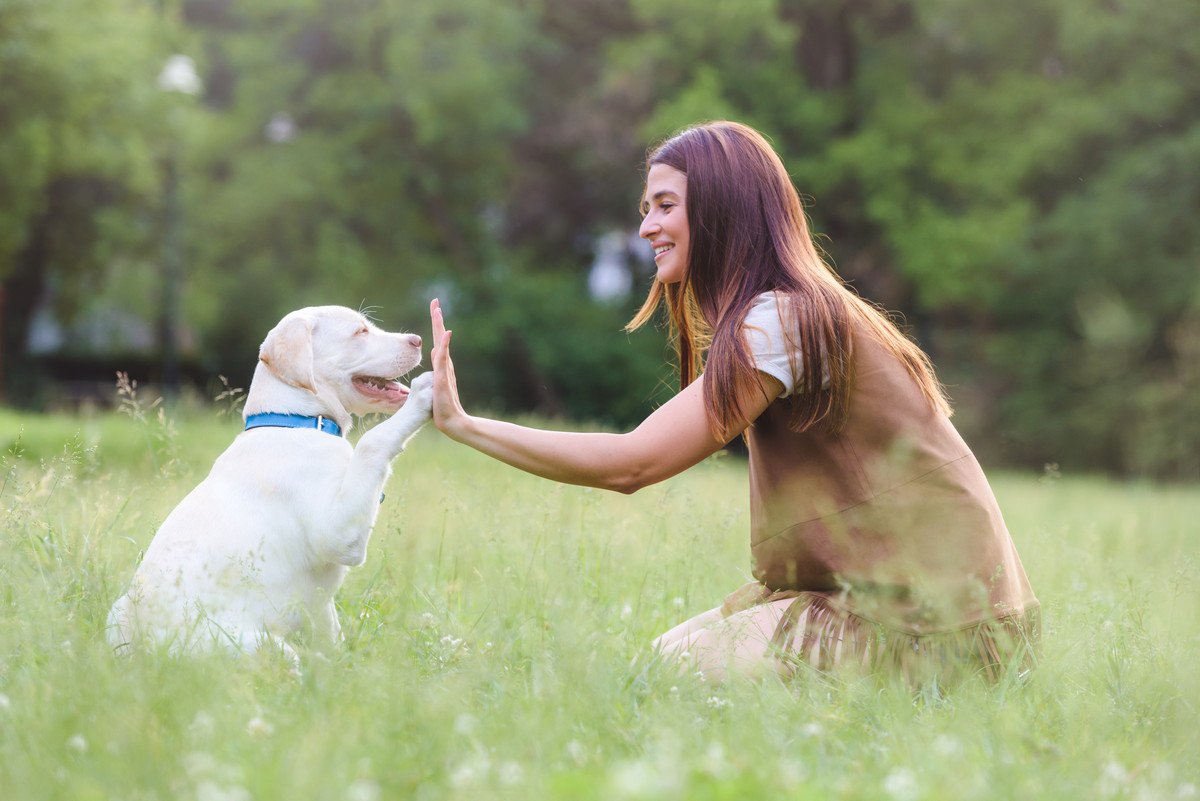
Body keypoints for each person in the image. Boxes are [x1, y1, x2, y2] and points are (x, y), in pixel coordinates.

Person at [427, 120, 1039, 685]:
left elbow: (631, 464)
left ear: (723, 210)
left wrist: (465, 425)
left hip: (939, 629)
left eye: (666, 206)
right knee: (661, 664)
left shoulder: (786, 322)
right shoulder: (792, 312)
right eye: (646, 208)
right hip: (929, 611)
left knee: (670, 678)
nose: (646, 227)